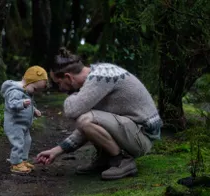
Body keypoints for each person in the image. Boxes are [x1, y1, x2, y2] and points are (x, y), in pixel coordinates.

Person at [35, 48, 163, 180]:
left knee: (85, 119)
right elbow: (88, 127)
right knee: (88, 120)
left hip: (142, 136)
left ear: (68, 77)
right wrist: (57, 150)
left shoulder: (100, 77)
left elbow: (72, 110)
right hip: (133, 132)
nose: (60, 88)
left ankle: (122, 161)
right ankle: (105, 158)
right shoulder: (97, 77)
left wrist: (73, 95)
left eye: (58, 83)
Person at [1, 65, 48, 174]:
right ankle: (16, 164)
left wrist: (34, 110)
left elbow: (29, 105)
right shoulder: (15, 91)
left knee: (27, 141)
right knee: (18, 143)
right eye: (35, 89)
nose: (35, 93)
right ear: (28, 81)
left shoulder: (26, 92)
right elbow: (11, 104)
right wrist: (21, 104)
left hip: (24, 125)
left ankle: (22, 160)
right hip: (14, 124)